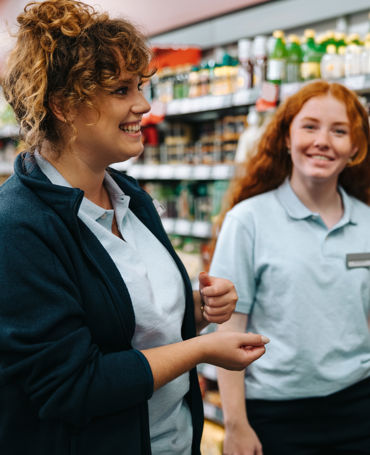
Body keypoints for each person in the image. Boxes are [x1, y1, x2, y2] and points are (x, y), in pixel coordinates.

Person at [0, 1, 270, 454]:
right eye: (122, 90)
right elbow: (71, 386)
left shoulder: (130, 196)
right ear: (64, 106)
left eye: (141, 86)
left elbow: (129, 321)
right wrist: (201, 350)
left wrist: (197, 307)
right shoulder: (20, 227)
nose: (144, 104)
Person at [210, 80, 370, 455]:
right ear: (285, 136)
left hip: (360, 405)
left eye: (339, 131)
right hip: (275, 415)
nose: (323, 141)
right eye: (310, 126)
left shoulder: (367, 222)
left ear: (356, 148)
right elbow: (229, 328)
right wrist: (236, 424)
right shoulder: (247, 220)